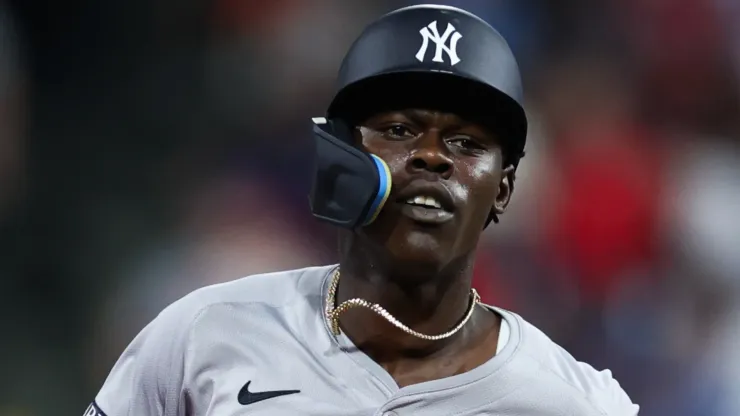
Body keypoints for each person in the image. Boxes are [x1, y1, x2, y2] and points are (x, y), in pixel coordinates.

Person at [84, 5, 639, 415]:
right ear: (339, 155)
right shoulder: (204, 332)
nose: (431, 157)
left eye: (467, 143)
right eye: (400, 130)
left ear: (503, 188)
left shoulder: (577, 403)